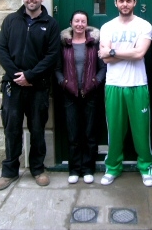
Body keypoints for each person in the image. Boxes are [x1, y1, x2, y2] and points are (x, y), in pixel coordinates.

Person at [0, 0, 61, 190]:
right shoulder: (11, 20)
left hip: (38, 86)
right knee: (11, 129)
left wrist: (30, 75)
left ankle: (38, 169)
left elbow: (52, 56)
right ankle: (9, 172)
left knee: (37, 129)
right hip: (13, 86)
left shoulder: (50, 24)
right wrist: (17, 75)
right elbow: (2, 50)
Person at [98, 0, 152, 187]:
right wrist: (122, 52)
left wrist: (112, 52)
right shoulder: (107, 27)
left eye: (128, 1)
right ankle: (112, 167)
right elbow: (104, 58)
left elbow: (140, 54)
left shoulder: (144, 25)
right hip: (113, 85)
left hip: (138, 84)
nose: (124, 4)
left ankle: (146, 167)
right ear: (115, 3)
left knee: (141, 132)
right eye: (121, 1)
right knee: (114, 131)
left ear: (134, 3)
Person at [55, 10, 106, 184]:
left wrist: (95, 82)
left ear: (87, 24)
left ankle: (88, 168)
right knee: (73, 135)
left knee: (90, 134)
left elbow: (103, 68)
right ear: (71, 23)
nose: (79, 24)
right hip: (69, 95)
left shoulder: (93, 44)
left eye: (83, 21)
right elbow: (57, 69)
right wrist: (64, 83)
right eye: (76, 21)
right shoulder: (64, 44)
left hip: (90, 94)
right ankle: (74, 169)